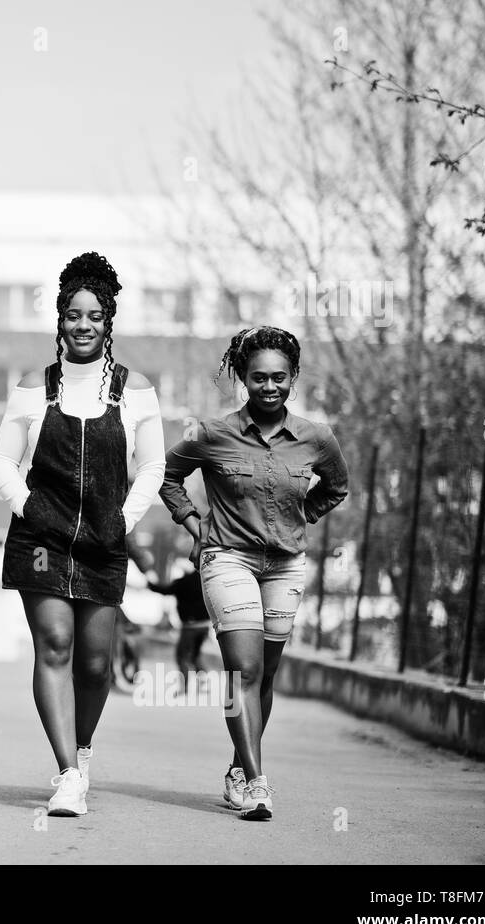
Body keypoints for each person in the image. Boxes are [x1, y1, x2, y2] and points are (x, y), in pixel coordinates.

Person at [0, 251, 165, 817]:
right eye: (72, 314)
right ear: (59, 320)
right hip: (41, 541)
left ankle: (81, 750)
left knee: (95, 663)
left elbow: (154, 466)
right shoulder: (31, 387)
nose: (82, 325)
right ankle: (67, 773)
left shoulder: (134, 390)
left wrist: (124, 520)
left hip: (102, 543)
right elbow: (1, 461)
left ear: (108, 322)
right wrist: (28, 507)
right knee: (56, 646)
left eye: (93, 315)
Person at [159, 326, 348, 821]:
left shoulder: (316, 437)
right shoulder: (212, 433)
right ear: (243, 378)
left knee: (265, 675)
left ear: (294, 378)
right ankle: (259, 785)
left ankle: (240, 768)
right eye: (259, 377)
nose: (270, 387)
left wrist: (301, 515)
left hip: (286, 563)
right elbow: (167, 476)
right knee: (242, 669)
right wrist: (194, 523)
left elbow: (337, 487)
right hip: (229, 558)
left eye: (279, 378)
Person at [148, 568, 210, 689]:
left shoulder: (182, 582)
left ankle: (184, 685)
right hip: (204, 626)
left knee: (182, 656)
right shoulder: (203, 580)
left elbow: (165, 590)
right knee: (195, 654)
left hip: (190, 626)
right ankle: (203, 680)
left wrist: (149, 584)